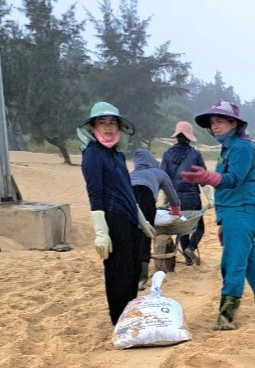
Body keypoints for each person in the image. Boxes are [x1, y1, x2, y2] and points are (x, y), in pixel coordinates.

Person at [181, 100, 255, 330]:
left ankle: (226, 319)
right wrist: (222, 221)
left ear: (234, 123)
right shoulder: (230, 146)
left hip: (244, 210)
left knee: (232, 263)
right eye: (213, 123)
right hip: (235, 212)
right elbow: (225, 190)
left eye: (220, 121)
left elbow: (233, 180)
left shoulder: (242, 147)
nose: (215, 127)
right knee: (251, 262)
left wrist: (206, 178)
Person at [77, 102, 156, 324]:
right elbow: (95, 194)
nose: (108, 127)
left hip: (129, 220)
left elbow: (127, 191)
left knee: (132, 271)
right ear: (93, 128)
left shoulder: (117, 156)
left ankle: (129, 316)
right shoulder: (93, 155)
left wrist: (141, 220)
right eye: (102, 123)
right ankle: (119, 321)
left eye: (112, 122)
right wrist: (101, 232)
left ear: (119, 128)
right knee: (118, 273)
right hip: (112, 219)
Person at [130, 147, 183, 288]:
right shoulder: (158, 172)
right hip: (145, 196)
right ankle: (141, 278)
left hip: (126, 198)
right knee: (145, 235)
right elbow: (171, 195)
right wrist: (176, 212)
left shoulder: (130, 174)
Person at [160, 121, 208, 266]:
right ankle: (191, 248)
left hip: (174, 198)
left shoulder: (167, 154)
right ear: (189, 138)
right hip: (192, 197)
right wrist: (210, 198)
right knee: (199, 227)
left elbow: (163, 178)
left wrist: (165, 200)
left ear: (176, 137)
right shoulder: (195, 154)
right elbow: (203, 177)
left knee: (182, 227)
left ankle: (188, 259)